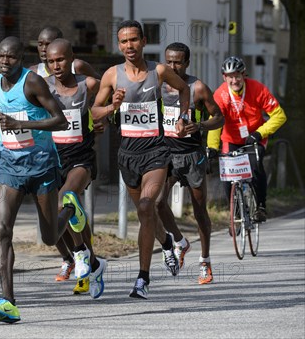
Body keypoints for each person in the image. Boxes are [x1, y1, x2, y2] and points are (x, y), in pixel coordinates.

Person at [0, 36, 88, 323]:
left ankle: (70, 209)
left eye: (11, 57)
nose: (5, 62)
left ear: (20, 58)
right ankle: (8, 301)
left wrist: (22, 124)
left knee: (50, 236)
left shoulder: (32, 83)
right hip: (8, 166)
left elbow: (60, 121)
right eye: (1, 57)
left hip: (41, 166)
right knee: (2, 229)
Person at [91, 20, 190, 299]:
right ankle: (167, 242)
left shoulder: (158, 71)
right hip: (128, 155)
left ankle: (142, 279)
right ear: (118, 44)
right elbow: (94, 112)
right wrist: (114, 105)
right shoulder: (112, 75)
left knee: (148, 206)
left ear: (144, 41)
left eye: (134, 40)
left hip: (156, 151)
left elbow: (184, 89)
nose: (129, 46)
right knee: (144, 213)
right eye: (123, 41)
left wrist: (183, 117)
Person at [155, 42, 225, 285]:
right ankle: (180, 241)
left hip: (193, 155)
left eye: (178, 62)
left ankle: (205, 261)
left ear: (187, 63)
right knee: (157, 203)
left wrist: (201, 126)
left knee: (199, 210)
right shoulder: (159, 86)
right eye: (169, 62)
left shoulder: (198, 88)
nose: (173, 67)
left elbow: (219, 118)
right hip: (166, 154)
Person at [44, 39, 107, 299]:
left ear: (72, 58)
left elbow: (109, 93)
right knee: (67, 215)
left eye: (61, 60)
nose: (56, 65)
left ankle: (79, 252)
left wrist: (101, 116)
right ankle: (93, 265)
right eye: (51, 61)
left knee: (66, 200)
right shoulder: (43, 87)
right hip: (52, 159)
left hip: (81, 158)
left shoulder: (87, 84)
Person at [207, 56, 287, 223]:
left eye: (238, 76)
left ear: (244, 75)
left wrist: (260, 133)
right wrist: (212, 147)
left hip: (255, 137)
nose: (234, 80)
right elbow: (215, 122)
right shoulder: (220, 95)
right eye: (230, 77)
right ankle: (235, 213)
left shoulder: (257, 89)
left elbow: (280, 116)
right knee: (228, 176)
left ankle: (260, 206)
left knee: (256, 166)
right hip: (231, 139)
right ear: (224, 77)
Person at [28, 26, 100, 79]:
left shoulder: (76, 66)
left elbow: (103, 85)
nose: (43, 49)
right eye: (40, 44)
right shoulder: (34, 72)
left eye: (48, 44)